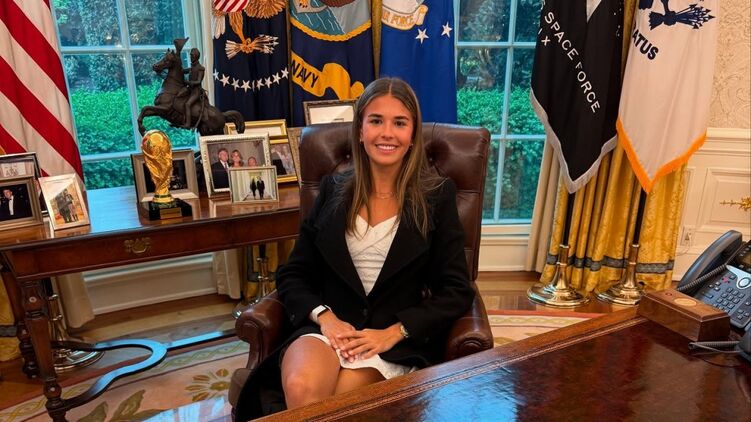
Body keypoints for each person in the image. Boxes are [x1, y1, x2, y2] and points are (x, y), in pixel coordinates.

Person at [235, 78, 475, 420]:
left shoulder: (437, 197)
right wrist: (325, 317)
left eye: (400, 123)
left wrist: (394, 332)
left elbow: (456, 290)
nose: (387, 133)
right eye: (376, 120)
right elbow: (294, 273)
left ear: (412, 135)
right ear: (360, 130)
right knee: (302, 386)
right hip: (327, 331)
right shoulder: (332, 190)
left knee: (342, 400)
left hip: (389, 343)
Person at [182, 48, 205, 128]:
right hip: (190, 89)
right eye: (190, 55)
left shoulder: (200, 68)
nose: (190, 57)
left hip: (196, 91)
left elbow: (198, 81)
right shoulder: (192, 67)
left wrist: (188, 82)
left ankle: (188, 124)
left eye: (192, 55)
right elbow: (183, 71)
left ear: (195, 56)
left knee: (187, 104)